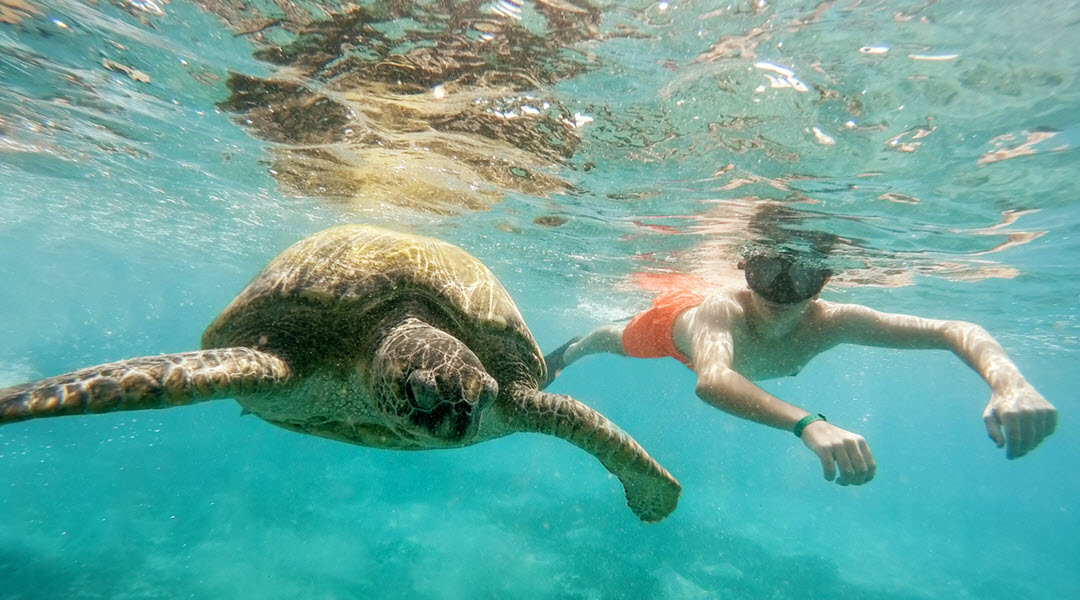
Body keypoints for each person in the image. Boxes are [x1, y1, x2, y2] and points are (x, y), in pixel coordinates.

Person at [543, 248, 1058, 486]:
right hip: (674, 326)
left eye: (803, 274)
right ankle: (567, 352)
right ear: (745, 269)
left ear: (825, 279)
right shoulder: (721, 310)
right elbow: (714, 379)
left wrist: (1010, 384)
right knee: (611, 339)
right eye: (768, 272)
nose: (783, 293)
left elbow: (953, 329)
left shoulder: (833, 321)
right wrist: (809, 423)